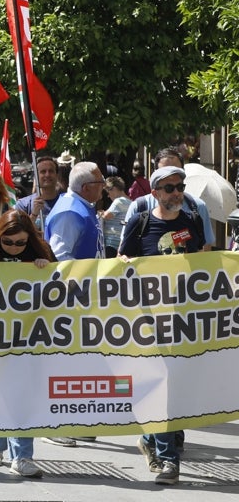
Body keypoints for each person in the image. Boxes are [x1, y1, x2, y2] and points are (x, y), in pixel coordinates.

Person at [119, 165, 206, 486]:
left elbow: (203, 261)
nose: (176, 192)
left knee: (174, 387)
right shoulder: (141, 223)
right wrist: (128, 265)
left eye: (180, 186)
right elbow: (122, 259)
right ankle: (169, 459)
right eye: (169, 187)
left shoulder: (192, 220)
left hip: (183, 319)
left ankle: (152, 438)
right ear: (154, 192)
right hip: (148, 321)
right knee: (160, 386)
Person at [0, 210, 54, 479]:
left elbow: (64, 279)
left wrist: (47, 265)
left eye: (21, 243)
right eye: (9, 243)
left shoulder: (40, 251)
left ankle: (22, 456)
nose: (15, 248)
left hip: (27, 338)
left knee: (21, 394)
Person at [124, 146, 215, 251]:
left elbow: (205, 252)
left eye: (176, 171)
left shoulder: (197, 208)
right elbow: (124, 256)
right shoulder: (139, 208)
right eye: (168, 187)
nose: (171, 175)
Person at [44, 162, 106, 260]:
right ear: (86, 188)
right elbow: (59, 257)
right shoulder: (69, 213)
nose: (104, 185)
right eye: (101, 182)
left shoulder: (80, 206)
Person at [16, 154, 60, 226]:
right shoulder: (23, 205)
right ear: (36, 177)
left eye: (51, 171)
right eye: (43, 171)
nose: (47, 175)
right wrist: (34, 215)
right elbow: (19, 232)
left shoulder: (65, 203)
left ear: (57, 175)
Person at [100, 176, 130, 258]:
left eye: (108, 192)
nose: (108, 196)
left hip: (111, 242)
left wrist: (99, 213)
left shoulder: (119, 201)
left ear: (114, 189)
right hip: (121, 243)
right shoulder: (131, 202)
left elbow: (107, 216)